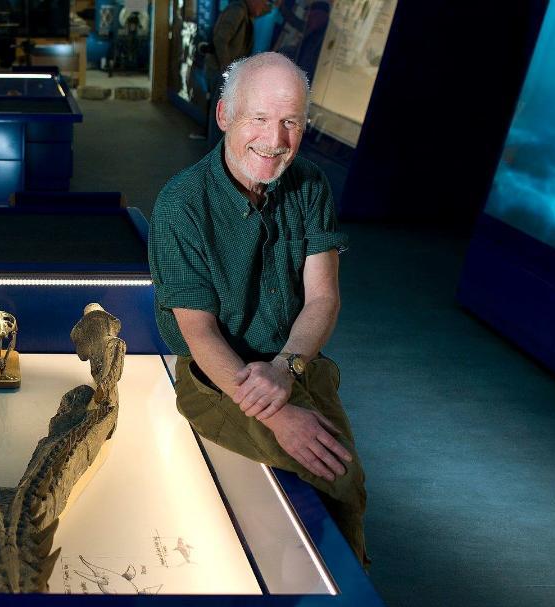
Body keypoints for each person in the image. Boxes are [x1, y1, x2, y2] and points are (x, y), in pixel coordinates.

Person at [149, 52, 369, 566]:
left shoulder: (310, 185)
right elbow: (200, 334)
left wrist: (285, 369)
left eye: (291, 121)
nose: (275, 140)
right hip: (216, 375)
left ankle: (345, 580)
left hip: (291, 360)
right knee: (333, 475)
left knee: (344, 476)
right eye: (259, 119)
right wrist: (279, 414)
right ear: (225, 115)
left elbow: (323, 298)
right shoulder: (180, 205)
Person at [205, 0, 272, 148]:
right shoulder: (237, 11)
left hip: (228, 73)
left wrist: (276, 6)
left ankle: (219, 150)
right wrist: (227, 68)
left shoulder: (248, 13)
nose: (264, 7)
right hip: (222, 72)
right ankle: (215, 153)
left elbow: (262, 10)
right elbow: (220, 39)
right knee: (221, 117)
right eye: (263, 2)